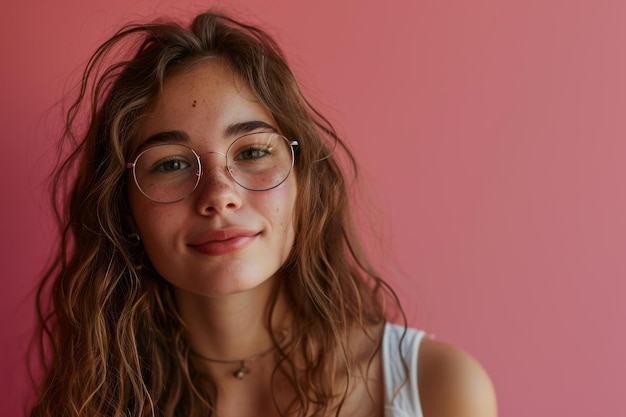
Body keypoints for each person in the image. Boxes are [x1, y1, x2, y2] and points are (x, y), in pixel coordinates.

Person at [29, 10, 497, 417]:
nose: (219, 195)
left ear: (302, 179)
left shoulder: (438, 388)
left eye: (252, 151)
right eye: (170, 163)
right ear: (124, 210)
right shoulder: (89, 401)